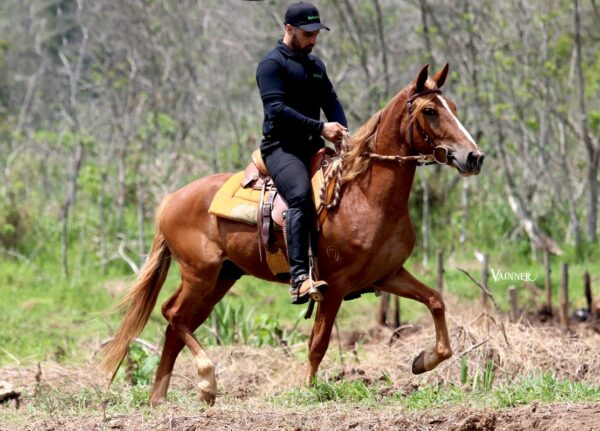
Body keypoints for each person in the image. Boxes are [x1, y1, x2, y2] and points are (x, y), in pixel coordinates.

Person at [256, 2, 348, 305]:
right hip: (282, 148)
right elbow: (277, 110)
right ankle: (299, 278)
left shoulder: (316, 66)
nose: (313, 39)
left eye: (317, 33)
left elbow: (331, 101)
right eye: (308, 33)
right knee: (299, 196)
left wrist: (343, 134)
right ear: (289, 29)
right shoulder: (271, 65)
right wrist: (322, 128)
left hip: (314, 146)